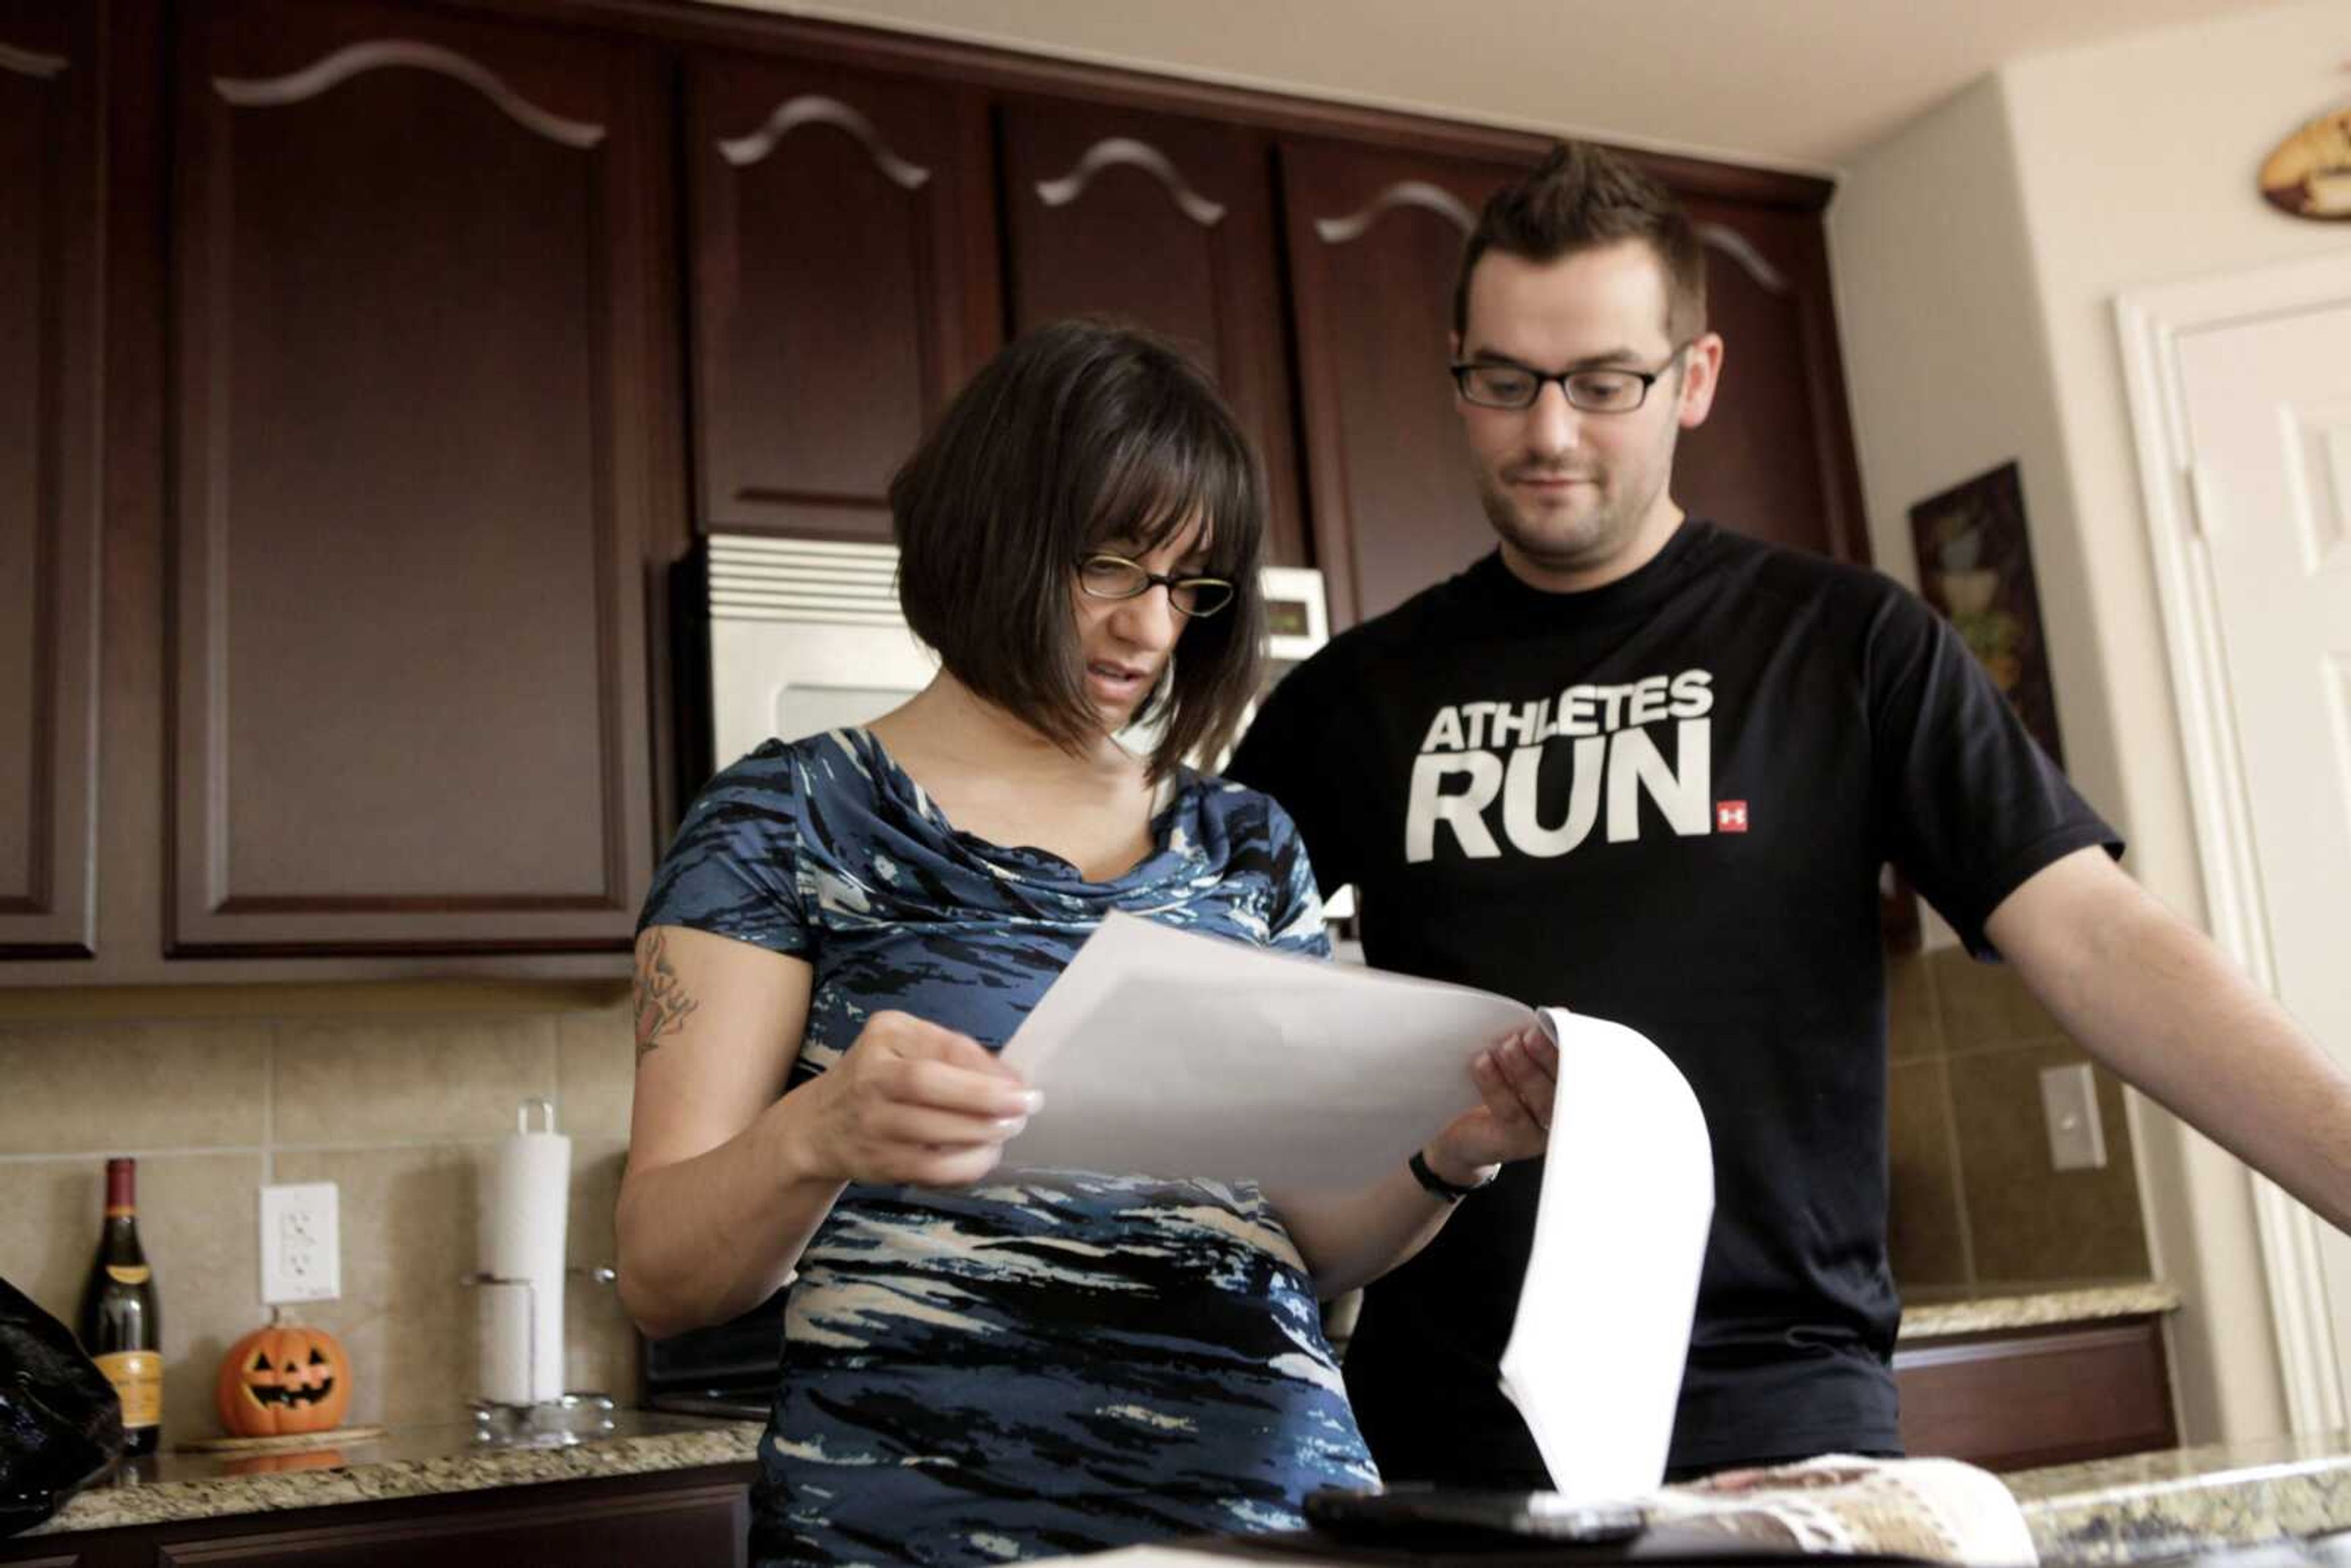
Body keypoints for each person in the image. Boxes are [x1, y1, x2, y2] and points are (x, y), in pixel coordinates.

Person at [1226, 140, 2351, 1485]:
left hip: (1780, 1423)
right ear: (1458, 364)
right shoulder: (1359, 697)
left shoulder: (1850, 646)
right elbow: (1196, 1000)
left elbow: (2099, 937)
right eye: (1505, 382)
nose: (1549, 433)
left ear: (1695, 379)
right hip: (1435, 1446)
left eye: (1603, 383)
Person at [615, 319, 1558, 1566]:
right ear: (993, 530)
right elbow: (663, 1275)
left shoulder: (1246, 841)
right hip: (926, 1531)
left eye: (1188, 585)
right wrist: (817, 1134)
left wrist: (1450, 1153)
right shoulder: (785, 817)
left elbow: (1308, 1234)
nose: (1152, 631)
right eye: (1112, 565)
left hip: (1269, 1525)